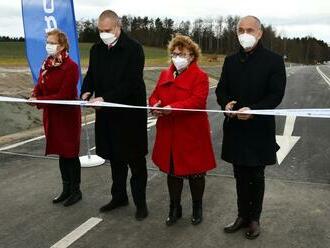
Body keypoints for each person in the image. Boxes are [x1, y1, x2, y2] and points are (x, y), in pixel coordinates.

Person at [215, 16, 286, 239]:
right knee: (239, 174)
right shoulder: (231, 60)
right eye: (240, 30)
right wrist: (225, 104)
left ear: (260, 33)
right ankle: (242, 215)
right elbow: (221, 90)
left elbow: (276, 94)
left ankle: (254, 219)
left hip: (258, 129)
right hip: (235, 128)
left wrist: (253, 110)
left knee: (256, 175)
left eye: (250, 30)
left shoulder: (273, 61)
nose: (245, 34)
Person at [80, 10, 148, 220]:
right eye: (100, 30)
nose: (103, 34)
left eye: (107, 30)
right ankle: (119, 197)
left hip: (129, 115)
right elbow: (91, 73)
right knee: (115, 157)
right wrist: (86, 89)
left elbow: (132, 82)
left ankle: (140, 203)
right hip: (107, 114)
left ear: (118, 27)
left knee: (135, 160)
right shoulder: (97, 49)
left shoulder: (133, 49)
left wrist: (105, 98)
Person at [149, 34, 216, 226]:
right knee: (173, 173)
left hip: (191, 133)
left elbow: (197, 101)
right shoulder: (164, 74)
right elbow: (154, 96)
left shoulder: (201, 77)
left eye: (182, 54)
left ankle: (197, 207)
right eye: (174, 53)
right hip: (169, 132)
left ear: (192, 56)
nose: (177, 57)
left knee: (196, 174)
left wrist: (172, 108)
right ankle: (174, 207)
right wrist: (155, 106)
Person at [28, 29, 82, 207]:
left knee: (70, 154)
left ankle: (76, 191)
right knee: (61, 153)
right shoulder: (47, 63)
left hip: (67, 117)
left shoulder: (71, 66)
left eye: (52, 42)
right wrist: (35, 94)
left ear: (63, 45)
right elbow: (40, 85)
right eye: (48, 42)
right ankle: (66, 189)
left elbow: (64, 95)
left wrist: (39, 100)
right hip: (52, 115)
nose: (48, 46)